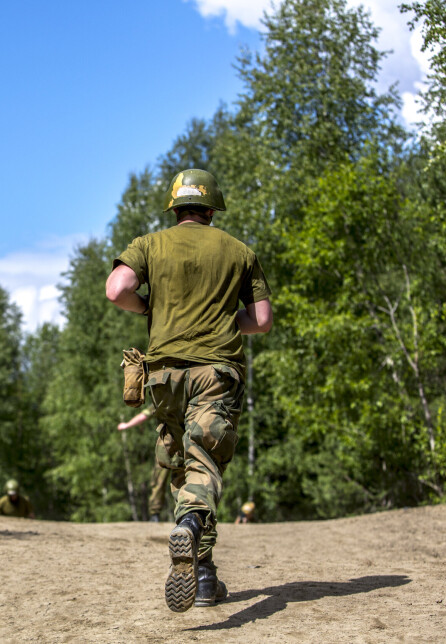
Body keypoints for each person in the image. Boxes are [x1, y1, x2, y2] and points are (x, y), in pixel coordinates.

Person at [106, 168, 273, 613]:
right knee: (205, 465)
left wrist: (147, 306)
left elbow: (116, 289)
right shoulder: (240, 251)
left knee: (182, 468)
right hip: (215, 371)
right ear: (213, 207)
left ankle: (203, 576)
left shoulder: (148, 244)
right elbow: (261, 321)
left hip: (162, 376)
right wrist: (222, 321)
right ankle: (193, 534)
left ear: (175, 206)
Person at [117, 407, 169, 522]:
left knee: (159, 480)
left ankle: (155, 514)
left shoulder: (163, 397)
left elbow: (143, 416)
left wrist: (126, 425)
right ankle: (188, 514)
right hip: (186, 446)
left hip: (167, 446)